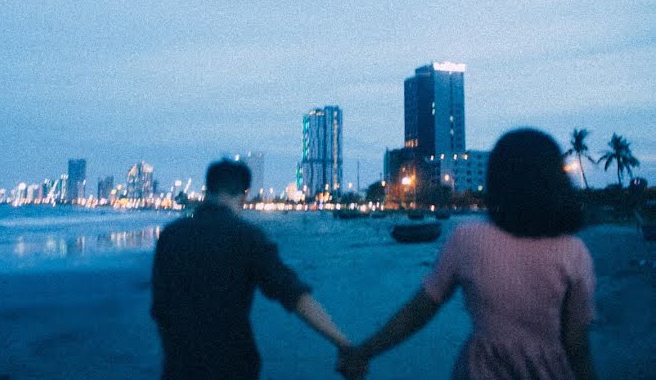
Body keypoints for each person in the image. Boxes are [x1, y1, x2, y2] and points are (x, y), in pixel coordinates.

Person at [338, 128, 596, 380]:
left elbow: (417, 313)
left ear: (497, 181)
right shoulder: (574, 253)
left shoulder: (468, 240)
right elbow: (577, 346)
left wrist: (364, 351)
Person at [151, 159, 352, 379]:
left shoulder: (170, 236)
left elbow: (160, 309)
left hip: (178, 368)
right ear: (244, 194)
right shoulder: (247, 236)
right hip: (233, 366)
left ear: (208, 189)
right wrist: (343, 343)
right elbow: (294, 295)